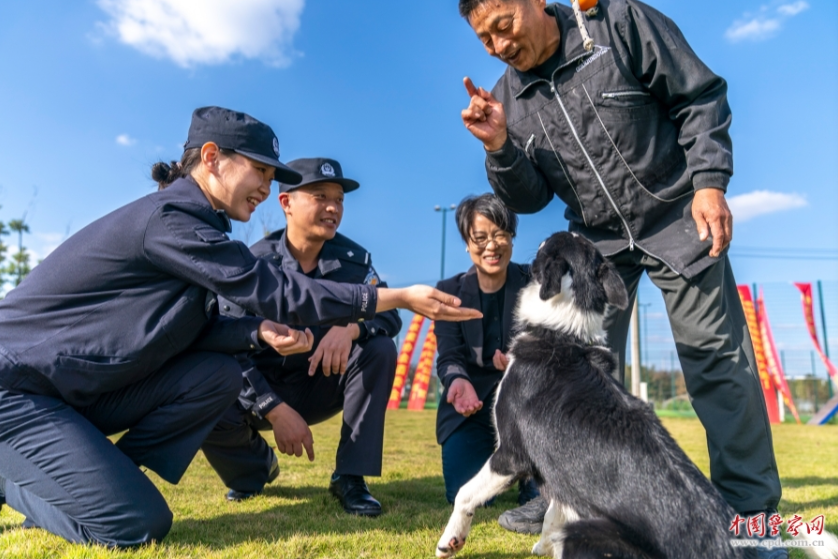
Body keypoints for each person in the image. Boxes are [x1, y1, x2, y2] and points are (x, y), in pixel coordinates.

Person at [0, 107, 480, 547]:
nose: (266, 189)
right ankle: (34, 481)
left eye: (273, 178)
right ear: (211, 158)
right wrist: (393, 297)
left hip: (70, 392)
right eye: (260, 172)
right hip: (17, 389)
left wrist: (258, 334)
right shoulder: (170, 219)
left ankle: (87, 479)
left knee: (214, 374)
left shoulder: (199, 228)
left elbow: (196, 329)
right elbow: (274, 289)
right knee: (135, 524)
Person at [458, 1, 783, 556]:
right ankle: (559, 489)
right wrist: (499, 147)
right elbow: (531, 196)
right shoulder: (508, 96)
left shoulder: (616, 24)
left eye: (503, 26)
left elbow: (698, 95)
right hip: (598, 242)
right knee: (569, 377)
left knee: (718, 362)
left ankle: (753, 520)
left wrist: (709, 181)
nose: (498, 45)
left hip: (678, 215)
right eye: (484, 39)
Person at [202, 157, 401, 517]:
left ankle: (350, 476)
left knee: (380, 348)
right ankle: (253, 470)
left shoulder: (355, 260)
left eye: (339, 199)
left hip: (318, 381)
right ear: (286, 203)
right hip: (258, 389)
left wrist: (350, 328)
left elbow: (389, 313)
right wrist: (272, 409)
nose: (332, 207)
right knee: (202, 380)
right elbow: (226, 341)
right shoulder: (253, 263)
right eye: (320, 196)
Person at [434, 194, 537, 506]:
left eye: (500, 234)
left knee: (540, 500)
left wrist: (523, 362)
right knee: (469, 498)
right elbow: (449, 355)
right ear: (468, 243)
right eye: (480, 237)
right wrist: (457, 382)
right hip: (473, 407)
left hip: (529, 408)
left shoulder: (536, 283)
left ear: (512, 238)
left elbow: (553, 341)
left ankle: (531, 478)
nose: (491, 246)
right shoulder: (448, 292)